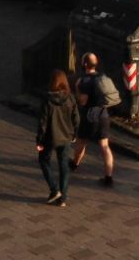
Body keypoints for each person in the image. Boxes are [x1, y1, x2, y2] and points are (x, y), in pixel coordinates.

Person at [71, 52, 119, 187]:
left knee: (81, 142)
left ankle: (74, 164)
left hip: (89, 117)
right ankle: (109, 176)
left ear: (84, 64)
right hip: (103, 116)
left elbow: (82, 102)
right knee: (105, 146)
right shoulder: (102, 77)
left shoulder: (85, 81)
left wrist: (77, 88)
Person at [37, 68, 80, 206]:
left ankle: (54, 189)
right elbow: (76, 118)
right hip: (66, 136)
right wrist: (74, 133)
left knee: (44, 160)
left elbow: (42, 122)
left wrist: (39, 140)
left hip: (50, 137)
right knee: (63, 166)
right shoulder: (70, 98)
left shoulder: (47, 100)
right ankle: (63, 197)